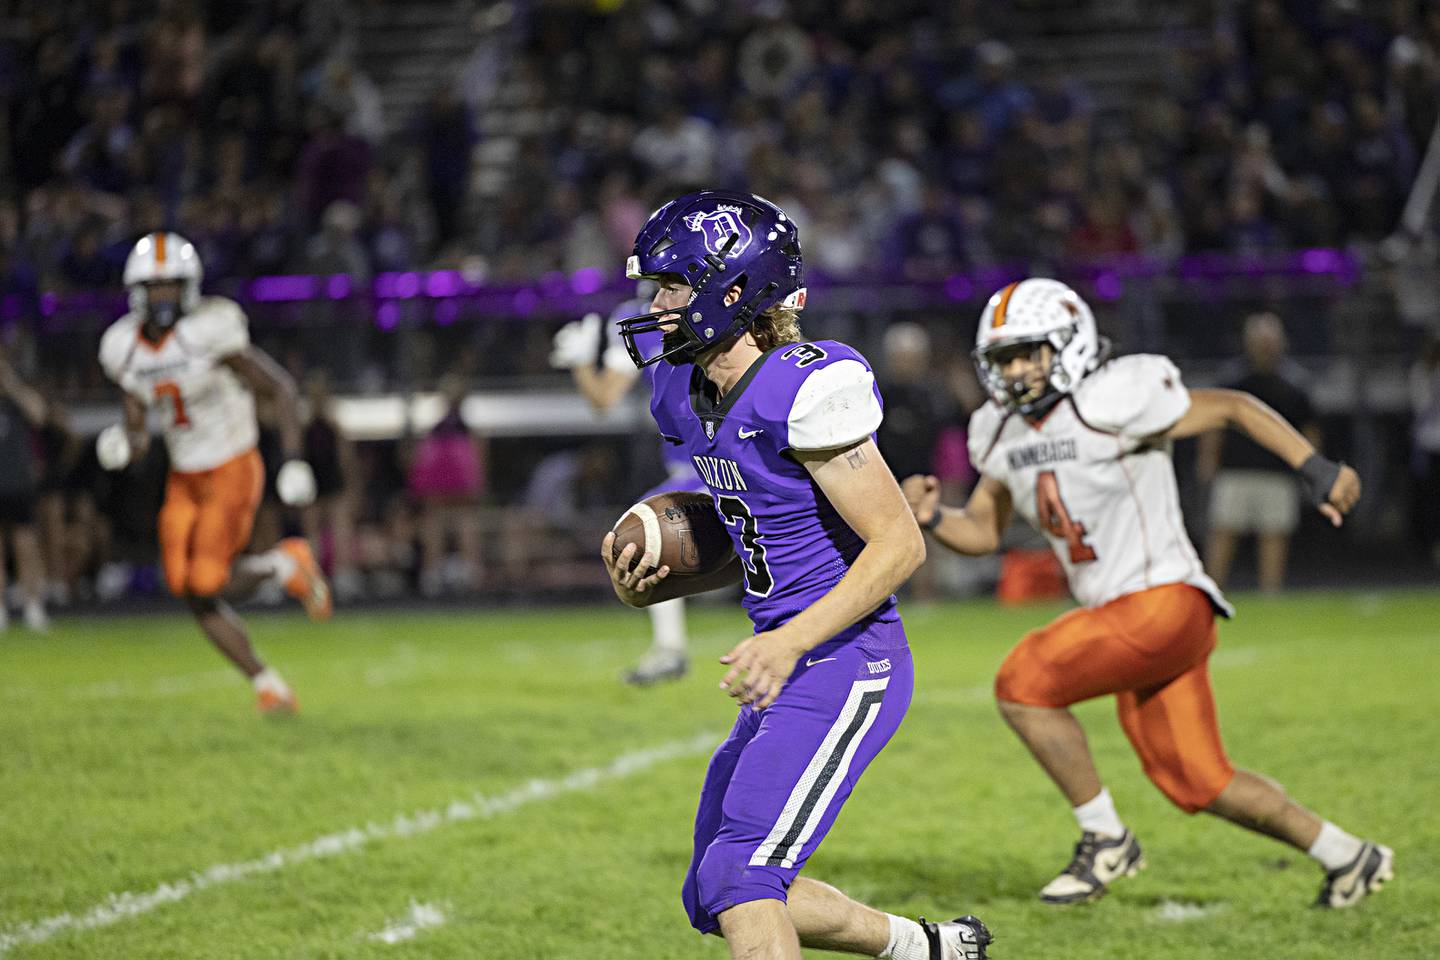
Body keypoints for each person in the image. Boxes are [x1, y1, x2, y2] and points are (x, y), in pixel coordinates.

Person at [904, 278, 1393, 909]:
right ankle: (1348, 855)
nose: (1017, 370)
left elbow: (1234, 407)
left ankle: (1105, 837)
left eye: (1030, 353)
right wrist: (935, 517)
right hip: (1126, 619)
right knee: (1199, 781)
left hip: (1163, 600)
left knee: (1023, 682)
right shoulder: (999, 430)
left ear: (1071, 345)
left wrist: (1315, 468)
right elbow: (982, 530)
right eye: (1004, 359)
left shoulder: (1114, 396)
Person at [600, 191, 991, 960]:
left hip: (848, 660)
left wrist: (787, 643)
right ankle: (929, 948)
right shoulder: (683, 389)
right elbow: (758, 536)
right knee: (713, 892)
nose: (658, 304)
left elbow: (899, 544)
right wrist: (664, 571)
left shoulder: (805, 386)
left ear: (732, 291)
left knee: (742, 878)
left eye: (674, 286)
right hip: (793, 657)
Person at [97, 232, 332, 715]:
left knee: (207, 581)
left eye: (170, 286)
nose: (162, 297)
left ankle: (283, 564)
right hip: (184, 474)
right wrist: (126, 443)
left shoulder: (211, 330)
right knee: (185, 587)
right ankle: (267, 684)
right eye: (154, 287)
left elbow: (281, 389)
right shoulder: (122, 348)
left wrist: (293, 459)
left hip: (231, 463)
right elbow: (139, 424)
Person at [550, 281, 708, 685]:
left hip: (735, 452)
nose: (658, 303)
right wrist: (582, 362)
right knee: (644, 535)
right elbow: (604, 399)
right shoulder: (636, 317)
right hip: (688, 464)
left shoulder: (715, 307)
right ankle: (670, 648)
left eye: (670, 288)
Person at [1198, 312, 1321, 591]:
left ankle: (1270, 596)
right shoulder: (1233, 380)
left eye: (1271, 340)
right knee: (1223, 532)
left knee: (1274, 536)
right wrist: (1208, 461)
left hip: (1276, 472)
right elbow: (1213, 425)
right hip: (1235, 470)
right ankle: (1210, 594)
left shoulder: (1295, 385)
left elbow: (1309, 431)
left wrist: (1311, 469)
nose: (1266, 346)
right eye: (1260, 340)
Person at [0, 350, 54, 630]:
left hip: (18, 484)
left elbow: (40, 414)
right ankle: (0, 610)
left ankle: (32, 605)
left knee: (26, 546)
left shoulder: (15, 402)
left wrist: (13, 385)